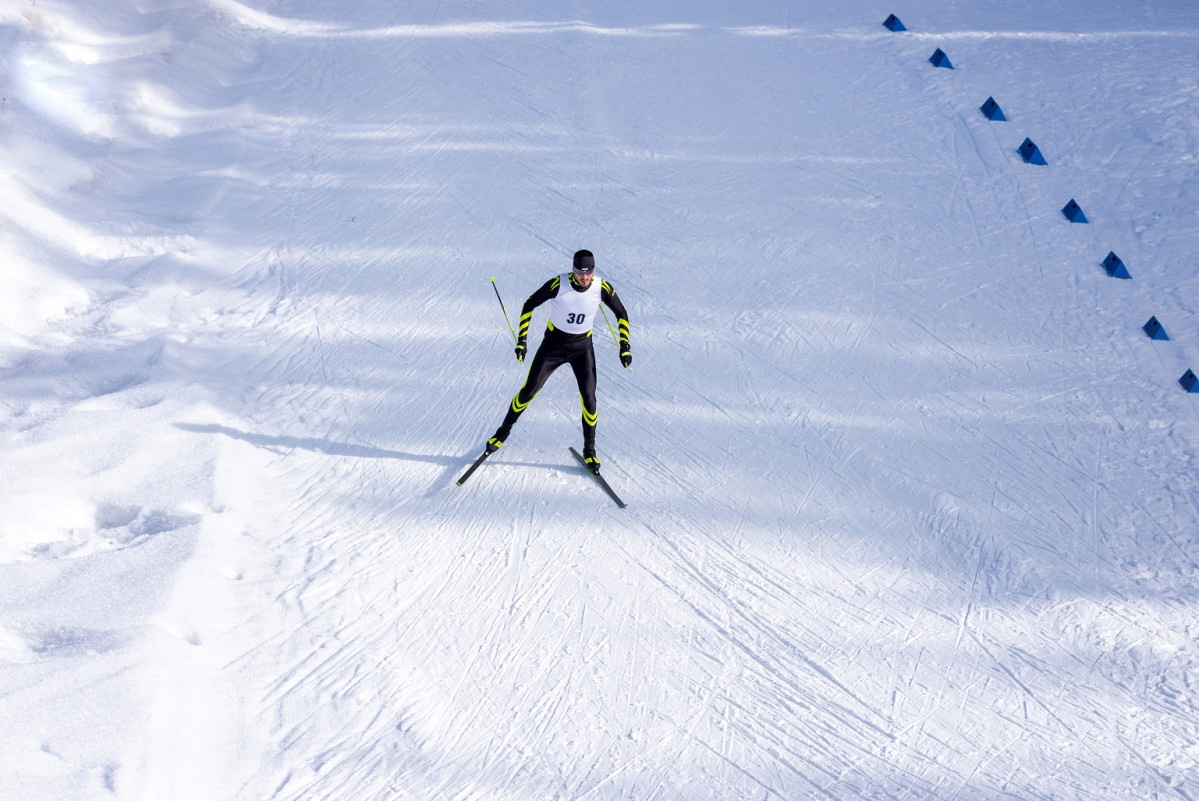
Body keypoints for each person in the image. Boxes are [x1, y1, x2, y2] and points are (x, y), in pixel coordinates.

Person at [484, 249, 631, 474]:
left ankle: (589, 451)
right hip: (554, 346)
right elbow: (530, 303)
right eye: (580, 272)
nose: (584, 277)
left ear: (593, 270)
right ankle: (502, 432)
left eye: (589, 272)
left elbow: (621, 313)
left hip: (582, 349)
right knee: (529, 391)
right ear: (573, 269)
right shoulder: (558, 284)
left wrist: (625, 346)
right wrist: (522, 340)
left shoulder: (601, 287)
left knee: (590, 400)